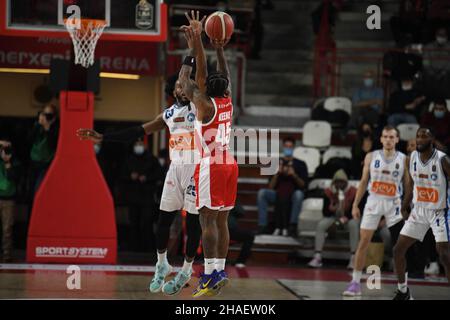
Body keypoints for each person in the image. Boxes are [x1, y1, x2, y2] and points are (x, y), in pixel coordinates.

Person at [77, 80, 202, 296]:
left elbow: (198, 76)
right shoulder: (169, 113)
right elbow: (137, 130)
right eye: (177, 87)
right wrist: (104, 138)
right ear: (173, 92)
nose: (180, 90)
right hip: (175, 170)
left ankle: (186, 269)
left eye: (184, 85)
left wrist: (192, 53)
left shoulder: (200, 106)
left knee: (192, 223)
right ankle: (162, 264)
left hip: (197, 170)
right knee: (163, 220)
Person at [178, 11, 239, 297]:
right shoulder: (227, 102)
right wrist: (218, 47)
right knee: (222, 220)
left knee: (206, 220)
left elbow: (187, 76)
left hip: (210, 164)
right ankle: (220, 269)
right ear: (225, 88)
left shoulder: (203, 104)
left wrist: (194, 45)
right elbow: (221, 74)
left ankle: (211, 273)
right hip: (229, 162)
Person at [343, 126, 408, 296]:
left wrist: (407, 207)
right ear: (380, 139)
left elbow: (408, 186)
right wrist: (355, 204)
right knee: (363, 242)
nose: (388, 139)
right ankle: (355, 283)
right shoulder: (371, 156)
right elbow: (364, 181)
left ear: (397, 139)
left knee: (400, 247)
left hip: (394, 203)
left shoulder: (404, 159)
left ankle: (404, 289)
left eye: (391, 137)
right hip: (373, 200)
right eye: (385, 136)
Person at [393, 126, 450, 300]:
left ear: (432, 139)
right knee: (398, 250)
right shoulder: (411, 158)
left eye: (424, 136)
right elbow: (411, 185)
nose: (419, 139)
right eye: (418, 136)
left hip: (440, 211)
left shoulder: (443, 160)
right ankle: (403, 291)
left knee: (444, 254)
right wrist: (404, 205)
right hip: (419, 211)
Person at [257, 137, 308, 236]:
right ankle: (262, 225)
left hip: (293, 193)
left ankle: (293, 226)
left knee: (299, 194)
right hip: (278, 193)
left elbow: (303, 185)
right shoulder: (276, 163)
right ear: (283, 147)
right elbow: (271, 186)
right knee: (262, 193)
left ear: (294, 148)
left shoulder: (301, 164)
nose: (288, 148)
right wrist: (277, 174)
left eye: (290, 146)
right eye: (286, 146)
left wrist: (294, 175)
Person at [308, 169, 358, 268]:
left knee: (354, 224)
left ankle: (353, 258)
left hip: (348, 218)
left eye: (341, 182)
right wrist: (333, 208)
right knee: (321, 225)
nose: (339, 184)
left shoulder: (354, 192)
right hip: (333, 217)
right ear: (334, 182)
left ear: (345, 182)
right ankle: (317, 256)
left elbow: (353, 212)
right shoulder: (328, 192)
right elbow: (325, 212)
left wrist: (338, 223)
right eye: (337, 182)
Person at [120, 138, 163, 252]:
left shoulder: (152, 159)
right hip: (133, 197)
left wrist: (147, 178)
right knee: (133, 223)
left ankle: (147, 249)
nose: (139, 146)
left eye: (141, 144)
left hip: (147, 197)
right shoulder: (128, 160)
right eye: (137, 144)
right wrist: (130, 176)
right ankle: (133, 248)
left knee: (146, 223)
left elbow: (159, 174)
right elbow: (121, 176)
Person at [28, 104, 59, 198]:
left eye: (49, 115)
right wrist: (38, 124)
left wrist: (47, 127)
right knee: (30, 191)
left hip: (46, 165)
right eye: (44, 114)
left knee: (39, 191)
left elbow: (53, 145)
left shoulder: (56, 129)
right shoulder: (37, 126)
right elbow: (28, 140)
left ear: (53, 117)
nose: (46, 117)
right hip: (33, 163)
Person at [0, 140, 20, 263]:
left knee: (7, 229)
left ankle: (7, 255)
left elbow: (14, 177)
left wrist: (8, 162)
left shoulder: (16, 163)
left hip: (8, 200)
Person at [423, 27, 450, 98]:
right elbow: (425, 62)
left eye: (443, 35)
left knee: (446, 78)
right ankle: (429, 99)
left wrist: (443, 72)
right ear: (436, 36)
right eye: (440, 35)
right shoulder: (428, 46)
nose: (441, 37)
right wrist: (431, 72)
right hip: (431, 71)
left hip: (446, 72)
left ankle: (445, 100)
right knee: (427, 75)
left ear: (447, 36)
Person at [228, 201, 255, 268]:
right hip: (216, 230)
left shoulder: (232, 199)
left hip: (231, 230)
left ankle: (240, 261)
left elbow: (241, 212)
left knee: (249, 235)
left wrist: (231, 205)